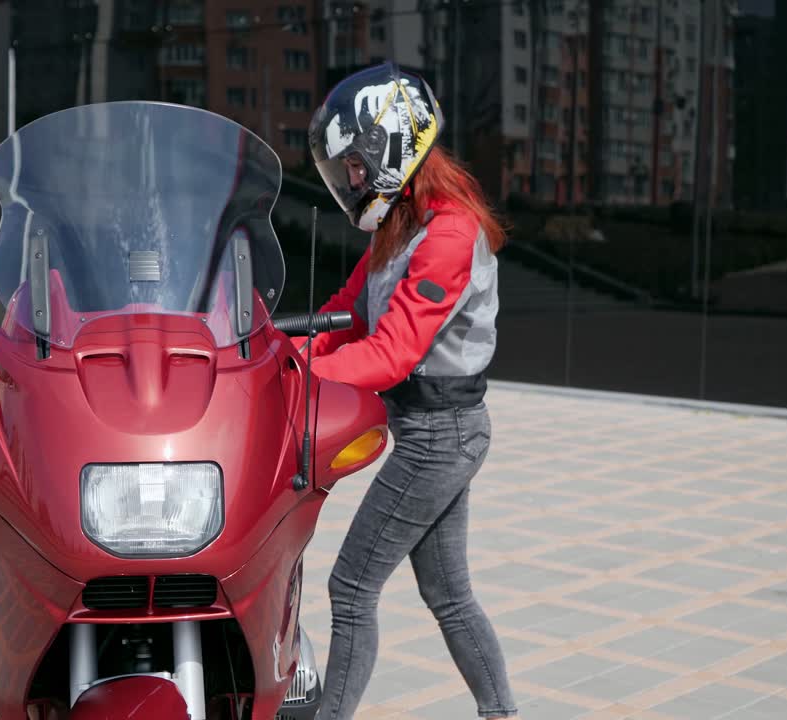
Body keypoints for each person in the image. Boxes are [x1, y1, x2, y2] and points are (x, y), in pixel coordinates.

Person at [306, 63, 518, 719]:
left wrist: (295, 377)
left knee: (350, 587)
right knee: (449, 593)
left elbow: (393, 352)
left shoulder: (449, 233)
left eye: (357, 165)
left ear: (394, 146)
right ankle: (502, 714)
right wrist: (265, 351)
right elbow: (344, 316)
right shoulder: (400, 224)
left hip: (440, 438)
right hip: (434, 435)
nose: (352, 180)